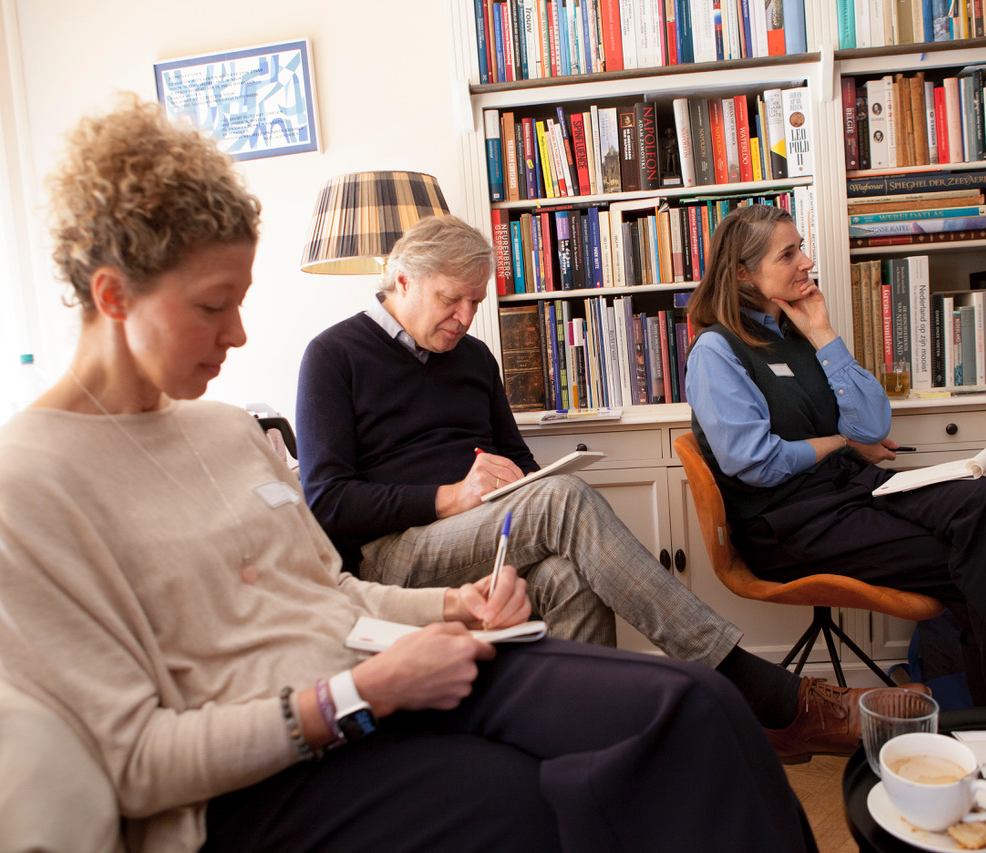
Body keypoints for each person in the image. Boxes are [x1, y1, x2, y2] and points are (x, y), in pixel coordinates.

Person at [0, 95, 819, 853]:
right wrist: (355, 694)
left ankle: (735, 679)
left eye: (241, 302)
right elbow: (134, 761)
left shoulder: (225, 429)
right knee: (546, 803)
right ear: (112, 296)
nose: (240, 335)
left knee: (694, 707)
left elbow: (327, 589)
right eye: (214, 306)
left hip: (386, 661)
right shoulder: (25, 484)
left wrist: (452, 608)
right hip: (288, 753)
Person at [297, 213, 914, 761]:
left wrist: (523, 480)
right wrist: (448, 497)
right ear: (402, 281)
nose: (465, 316)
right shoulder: (333, 355)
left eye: (476, 301)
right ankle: (759, 688)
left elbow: (516, 458)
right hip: (398, 551)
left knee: (569, 574)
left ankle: (583, 751)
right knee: (560, 502)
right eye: (450, 299)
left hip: (489, 530)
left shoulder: (475, 356)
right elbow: (328, 501)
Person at [684, 203, 986, 715]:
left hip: (852, 491)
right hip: (790, 525)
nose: (807, 262)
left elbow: (872, 426)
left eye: (801, 248)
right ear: (744, 273)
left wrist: (823, 334)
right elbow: (755, 462)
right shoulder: (716, 351)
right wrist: (840, 442)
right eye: (788, 254)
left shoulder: (795, 333)